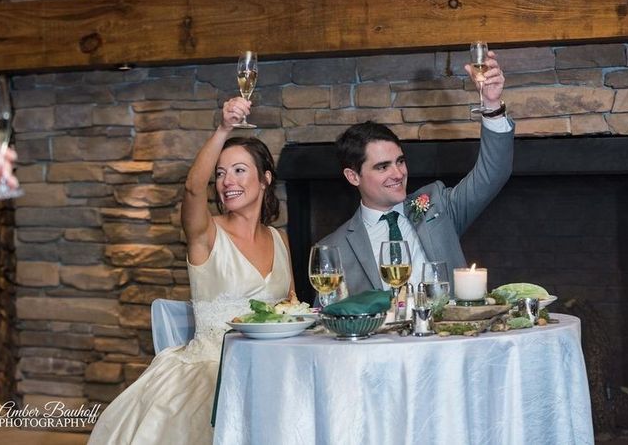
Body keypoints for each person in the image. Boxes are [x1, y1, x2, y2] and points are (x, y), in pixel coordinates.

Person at [88, 97, 295, 444]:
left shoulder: (280, 239)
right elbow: (191, 188)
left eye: (239, 170)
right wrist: (224, 128)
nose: (227, 180)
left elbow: (292, 309)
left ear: (265, 179)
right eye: (220, 172)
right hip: (210, 373)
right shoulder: (205, 234)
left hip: (271, 370)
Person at [319, 51, 514, 294]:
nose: (398, 173)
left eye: (400, 161)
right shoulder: (334, 246)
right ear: (353, 176)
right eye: (382, 167)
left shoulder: (437, 205)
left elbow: (493, 174)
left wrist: (492, 105)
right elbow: (329, 318)